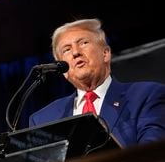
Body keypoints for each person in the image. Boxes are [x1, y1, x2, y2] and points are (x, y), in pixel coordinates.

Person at [29, 18, 165, 147]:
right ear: (63, 70)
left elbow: (150, 156)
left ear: (105, 53)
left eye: (83, 43)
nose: (76, 52)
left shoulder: (147, 96)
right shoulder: (43, 120)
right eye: (67, 49)